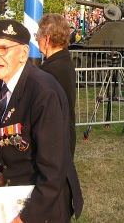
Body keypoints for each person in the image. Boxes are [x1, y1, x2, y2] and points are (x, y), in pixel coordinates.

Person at [0, 19, 83, 222]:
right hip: (20, 191)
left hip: (44, 205)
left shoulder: (42, 91)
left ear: (24, 53)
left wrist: (27, 217)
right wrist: (2, 171)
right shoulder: (9, 82)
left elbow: (54, 169)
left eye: (3, 48)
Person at [36, 13, 77, 157]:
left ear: (46, 39)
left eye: (37, 35)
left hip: (54, 141)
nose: (36, 39)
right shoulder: (63, 61)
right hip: (63, 135)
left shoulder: (51, 70)